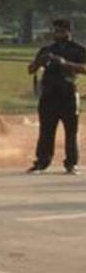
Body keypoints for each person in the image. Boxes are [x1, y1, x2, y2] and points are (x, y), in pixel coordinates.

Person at [28, 18, 86, 174]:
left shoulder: (78, 49)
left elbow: (84, 68)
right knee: (46, 130)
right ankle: (42, 162)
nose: (56, 33)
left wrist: (65, 63)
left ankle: (71, 163)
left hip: (67, 93)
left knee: (71, 131)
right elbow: (31, 69)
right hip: (49, 94)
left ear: (68, 31)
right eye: (55, 30)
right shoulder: (47, 49)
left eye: (59, 30)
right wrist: (40, 61)